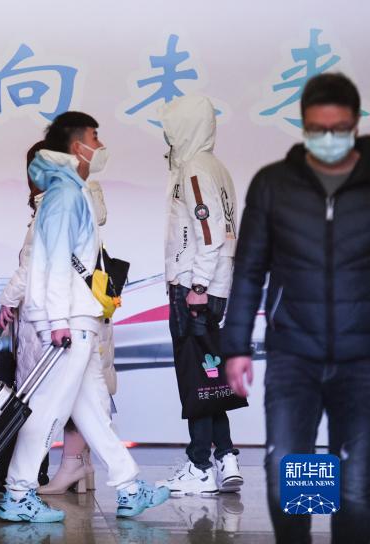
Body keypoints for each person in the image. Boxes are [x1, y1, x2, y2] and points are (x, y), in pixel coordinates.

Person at [0, 112, 169, 523]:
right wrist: (58, 322)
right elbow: (54, 263)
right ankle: (18, 493)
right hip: (70, 321)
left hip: (79, 318)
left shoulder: (71, 192)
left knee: (92, 411)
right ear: (77, 147)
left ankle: (128, 486)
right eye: (95, 136)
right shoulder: (65, 197)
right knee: (48, 408)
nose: (100, 144)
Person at [224, 73, 370, 544]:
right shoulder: (274, 184)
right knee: (296, 483)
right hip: (295, 357)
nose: (328, 138)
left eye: (339, 129)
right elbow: (250, 269)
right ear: (304, 125)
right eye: (317, 129)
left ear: (355, 124)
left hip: (363, 361)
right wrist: (236, 346)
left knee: (357, 494)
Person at [153, 95, 244, 497]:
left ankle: (200, 466)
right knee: (209, 375)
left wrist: (198, 288)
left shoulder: (193, 169)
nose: (167, 137)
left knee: (196, 378)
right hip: (211, 286)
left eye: (170, 129)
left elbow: (210, 234)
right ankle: (225, 458)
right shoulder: (216, 167)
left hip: (195, 287)